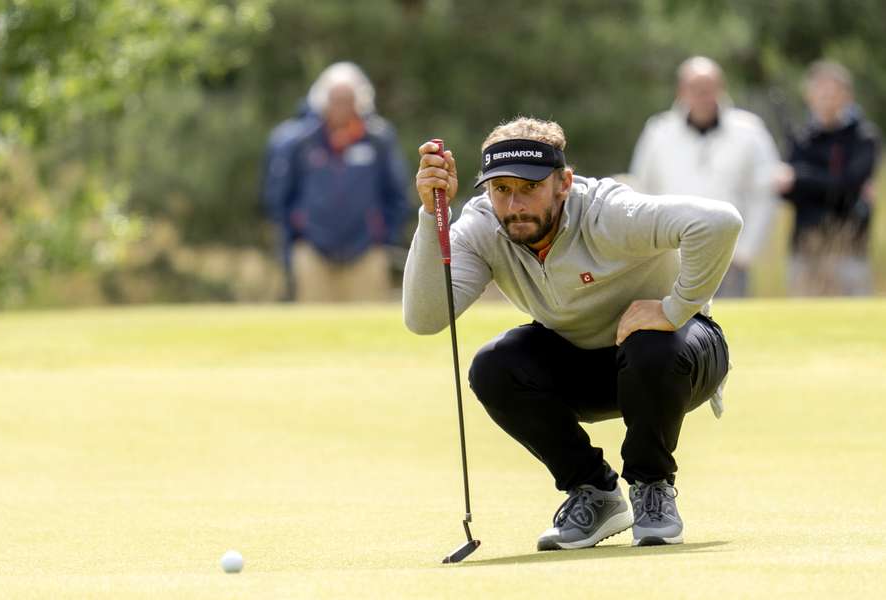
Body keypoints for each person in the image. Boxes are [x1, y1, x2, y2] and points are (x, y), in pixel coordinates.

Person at [404, 117, 741, 550]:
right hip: (588, 365)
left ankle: (652, 487)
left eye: (529, 188)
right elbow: (425, 317)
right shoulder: (485, 227)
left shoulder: (608, 212)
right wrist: (434, 217)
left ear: (563, 182)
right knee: (494, 365)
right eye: (501, 189)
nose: (515, 205)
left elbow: (719, 222)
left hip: (679, 357)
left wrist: (674, 309)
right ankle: (595, 493)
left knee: (651, 345)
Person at [630, 56, 781, 297]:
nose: (703, 96)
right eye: (695, 89)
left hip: (730, 260)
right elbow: (641, 192)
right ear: (681, 91)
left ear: (721, 89)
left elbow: (764, 194)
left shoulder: (750, 131)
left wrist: (746, 252)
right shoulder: (658, 132)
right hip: (670, 259)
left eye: (709, 89)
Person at [261, 62, 409, 302]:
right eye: (335, 99)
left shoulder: (378, 140)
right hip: (312, 253)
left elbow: (397, 195)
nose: (341, 107)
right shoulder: (300, 142)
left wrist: (383, 236)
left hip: (366, 253)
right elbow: (279, 196)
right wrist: (296, 235)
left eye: (347, 99)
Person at [776, 60, 881, 296]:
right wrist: (823, 182)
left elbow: (847, 186)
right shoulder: (801, 138)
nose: (826, 100)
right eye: (820, 93)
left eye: (832, 94)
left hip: (851, 248)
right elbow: (785, 191)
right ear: (809, 96)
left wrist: (801, 179)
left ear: (847, 96)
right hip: (804, 247)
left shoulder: (864, 138)